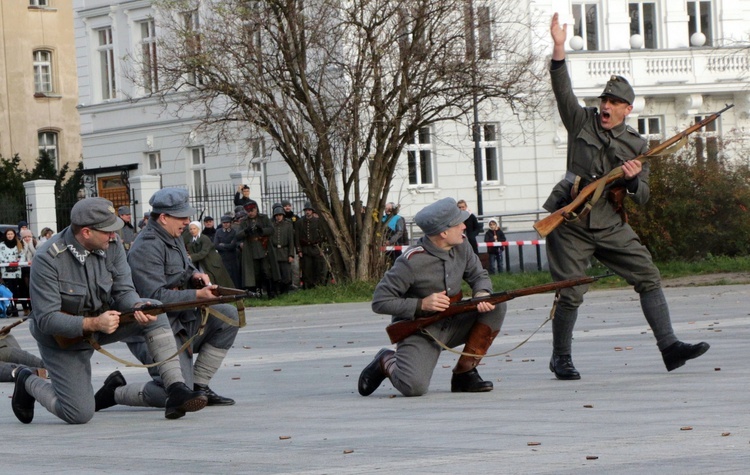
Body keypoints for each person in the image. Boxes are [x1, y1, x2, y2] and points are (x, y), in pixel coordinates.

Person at [543, 13, 709, 381]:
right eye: (604, 98)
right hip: (569, 219)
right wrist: (558, 48)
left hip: (608, 220)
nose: (606, 104)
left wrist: (633, 182)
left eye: (614, 101)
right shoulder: (581, 120)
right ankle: (561, 357)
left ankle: (670, 348)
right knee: (571, 291)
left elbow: (645, 198)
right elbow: (561, 88)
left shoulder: (637, 145)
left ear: (626, 109)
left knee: (649, 276)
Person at [11, 197, 207, 424]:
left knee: (154, 310)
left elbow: (124, 291)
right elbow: (46, 319)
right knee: (78, 414)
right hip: (62, 338)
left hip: (105, 323)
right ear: (86, 232)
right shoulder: (48, 259)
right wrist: (93, 324)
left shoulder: (111, 246)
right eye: (108, 231)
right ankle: (27, 381)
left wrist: (136, 305)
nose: (114, 235)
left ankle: (176, 389)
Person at [358, 197, 507, 397]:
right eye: (459, 223)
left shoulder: (462, 246)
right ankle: (386, 360)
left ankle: (465, 372)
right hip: (422, 330)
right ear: (444, 232)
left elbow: (479, 276)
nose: (464, 226)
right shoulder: (410, 261)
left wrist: (482, 294)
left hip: (454, 322)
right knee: (414, 387)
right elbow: (380, 301)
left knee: (496, 305)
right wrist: (421, 304)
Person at [124, 188, 240, 407]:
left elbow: (184, 268)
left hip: (181, 320)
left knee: (227, 316)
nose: (188, 221)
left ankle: (200, 385)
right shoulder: (146, 247)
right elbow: (155, 298)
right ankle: (116, 392)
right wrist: (197, 295)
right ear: (163, 218)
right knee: (175, 395)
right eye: (182, 216)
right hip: (155, 330)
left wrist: (196, 276)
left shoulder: (172, 235)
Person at [236, 199, 280, 298]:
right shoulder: (244, 221)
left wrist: (262, 230)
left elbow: (271, 230)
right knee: (255, 272)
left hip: (263, 247)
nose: (250, 213)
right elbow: (238, 235)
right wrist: (246, 231)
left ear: (256, 209)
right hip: (251, 249)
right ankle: (258, 292)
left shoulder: (263, 218)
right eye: (248, 211)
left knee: (266, 271)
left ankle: (270, 292)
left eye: (252, 210)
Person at [186, 221, 234, 288]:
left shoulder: (204, 238)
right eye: (191, 229)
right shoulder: (192, 240)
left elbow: (203, 252)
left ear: (199, 229)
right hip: (203, 263)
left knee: (219, 280)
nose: (192, 231)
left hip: (212, 263)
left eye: (194, 228)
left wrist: (191, 257)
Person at [296, 201, 327, 289]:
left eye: (309, 210)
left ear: (312, 211)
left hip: (316, 248)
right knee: (307, 269)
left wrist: (322, 249)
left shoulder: (318, 221)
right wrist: (299, 250)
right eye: (306, 210)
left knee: (317, 268)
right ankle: (307, 286)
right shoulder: (300, 222)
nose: (307, 212)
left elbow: (323, 236)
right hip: (305, 249)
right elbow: (297, 238)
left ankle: (317, 286)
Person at [271, 205, 295, 294]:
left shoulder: (288, 225)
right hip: (275, 251)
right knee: (276, 273)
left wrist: (291, 254)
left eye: (280, 215)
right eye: (277, 215)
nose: (278, 217)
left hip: (285, 252)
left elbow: (291, 241)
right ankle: (277, 291)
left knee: (286, 273)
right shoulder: (271, 225)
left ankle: (285, 291)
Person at [213, 215, 242, 288]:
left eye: (227, 222)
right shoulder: (218, 232)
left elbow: (233, 245)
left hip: (232, 257)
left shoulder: (234, 232)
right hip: (222, 257)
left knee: (234, 276)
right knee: (224, 275)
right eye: (224, 223)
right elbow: (216, 245)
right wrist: (227, 246)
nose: (225, 224)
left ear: (231, 223)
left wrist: (222, 245)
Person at [0, 228, 23, 317]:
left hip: (17, 271)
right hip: (6, 271)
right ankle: (9, 307)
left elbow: (22, 255)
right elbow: (1, 256)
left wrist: (17, 262)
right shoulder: (1, 245)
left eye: (11, 234)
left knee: (16, 290)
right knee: (8, 289)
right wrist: (9, 262)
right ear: (6, 235)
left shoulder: (19, 245)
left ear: (14, 235)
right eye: (8, 234)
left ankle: (15, 307)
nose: (10, 236)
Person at [18, 229, 37, 315]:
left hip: (34, 268)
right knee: (23, 289)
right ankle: (25, 308)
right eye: (25, 237)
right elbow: (21, 258)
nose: (27, 238)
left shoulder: (37, 243)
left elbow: (37, 256)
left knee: (31, 288)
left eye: (29, 236)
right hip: (22, 269)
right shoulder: (19, 244)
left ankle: (33, 307)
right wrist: (25, 248)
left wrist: (31, 247)